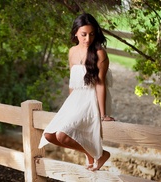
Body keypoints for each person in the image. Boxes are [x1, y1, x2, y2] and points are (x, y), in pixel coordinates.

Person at [38, 13, 115, 171]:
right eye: (84, 34)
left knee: (62, 135)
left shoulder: (100, 54)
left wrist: (103, 114)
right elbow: (73, 82)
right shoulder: (72, 52)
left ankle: (99, 154)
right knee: (49, 135)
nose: (88, 39)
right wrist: (69, 106)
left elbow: (100, 85)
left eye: (92, 34)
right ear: (75, 33)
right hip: (75, 100)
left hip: (90, 99)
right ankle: (93, 153)